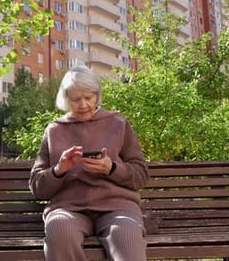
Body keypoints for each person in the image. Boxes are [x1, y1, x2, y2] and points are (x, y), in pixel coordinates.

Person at [29, 65, 149, 261]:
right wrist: (59, 170)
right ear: (66, 100)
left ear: (97, 97)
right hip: (68, 208)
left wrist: (111, 168)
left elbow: (141, 175)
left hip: (117, 207)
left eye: (89, 97)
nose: (83, 104)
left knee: (126, 237)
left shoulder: (118, 124)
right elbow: (37, 186)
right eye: (76, 99)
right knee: (59, 231)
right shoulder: (54, 130)